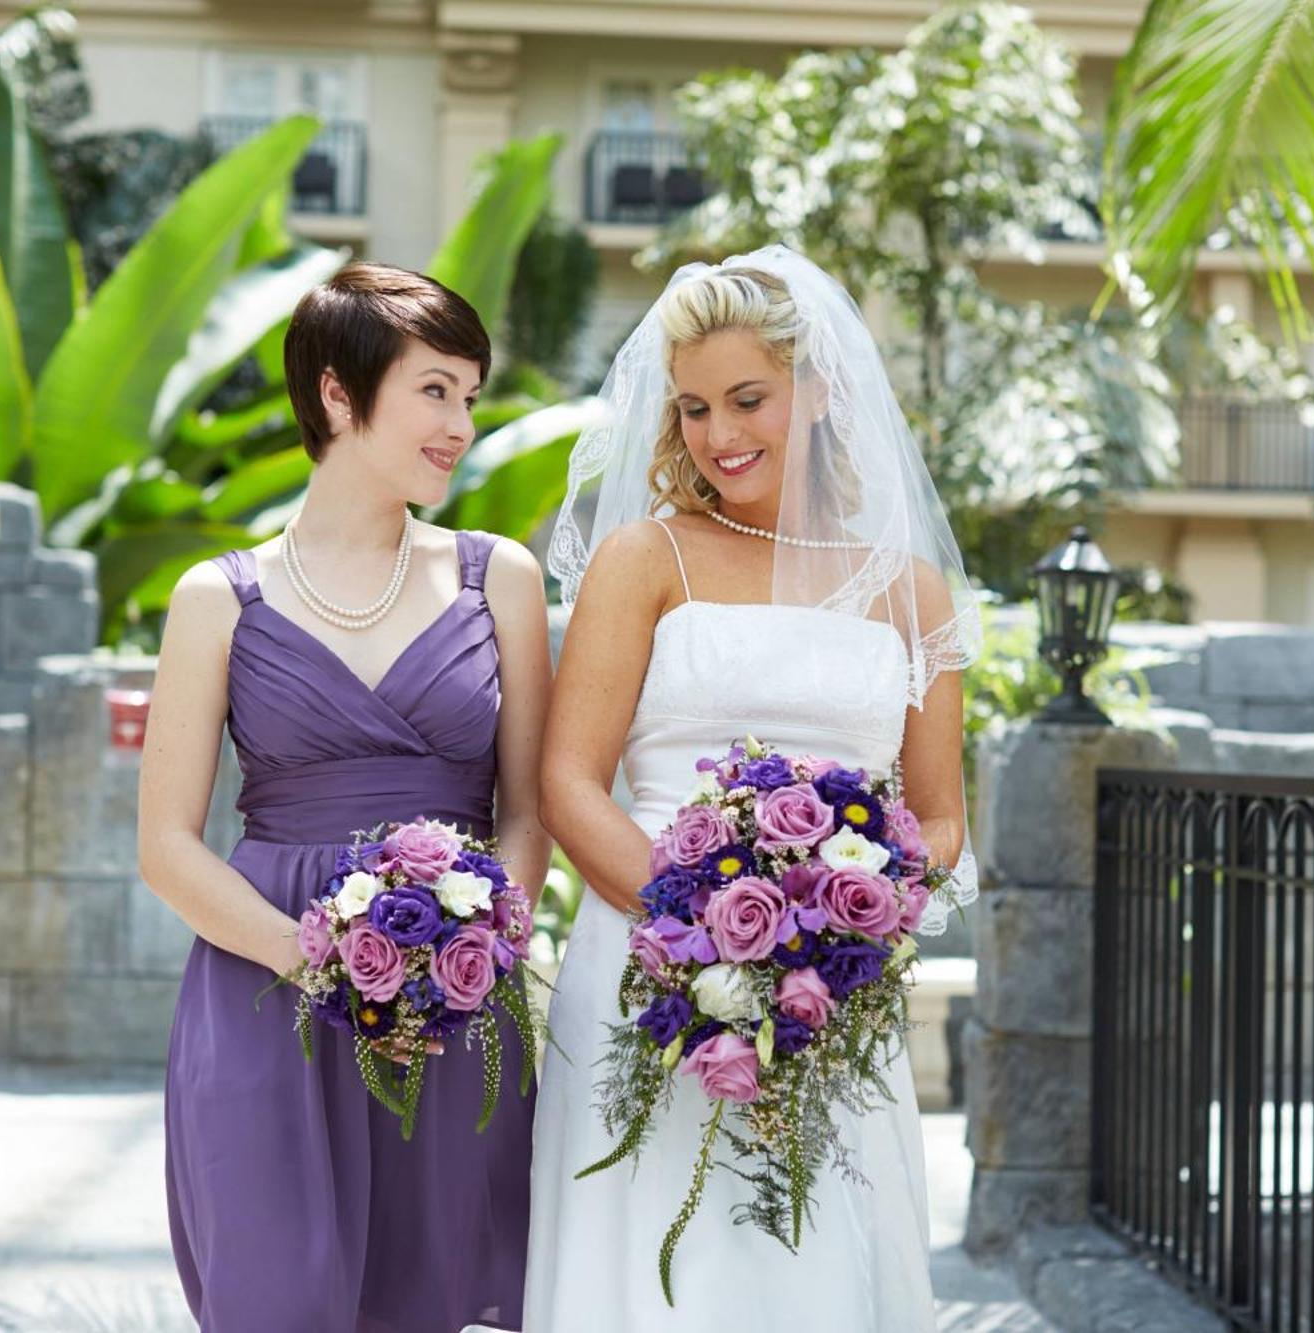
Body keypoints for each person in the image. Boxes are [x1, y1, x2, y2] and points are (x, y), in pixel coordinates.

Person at [523, 246, 982, 1331]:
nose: (718, 435)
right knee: (643, 1268)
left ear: (818, 392)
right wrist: (709, 937)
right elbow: (566, 781)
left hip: (830, 994)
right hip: (641, 969)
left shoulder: (910, 590)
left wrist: (828, 936)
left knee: (812, 1259)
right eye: (691, 408)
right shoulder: (642, 558)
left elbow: (942, 810)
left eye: (747, 399)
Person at [136, 263, 551, 1332]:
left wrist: (466, 955)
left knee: (442, 1288)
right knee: (275, 1292)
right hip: (265, 999)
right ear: (335, 392)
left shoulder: (497, 574)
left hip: (454, 1000)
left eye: (469, 393)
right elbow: (167, 847)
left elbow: (526, 807)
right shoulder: (214, 599)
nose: (460, 423)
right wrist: (322, 965)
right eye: (434, 391)